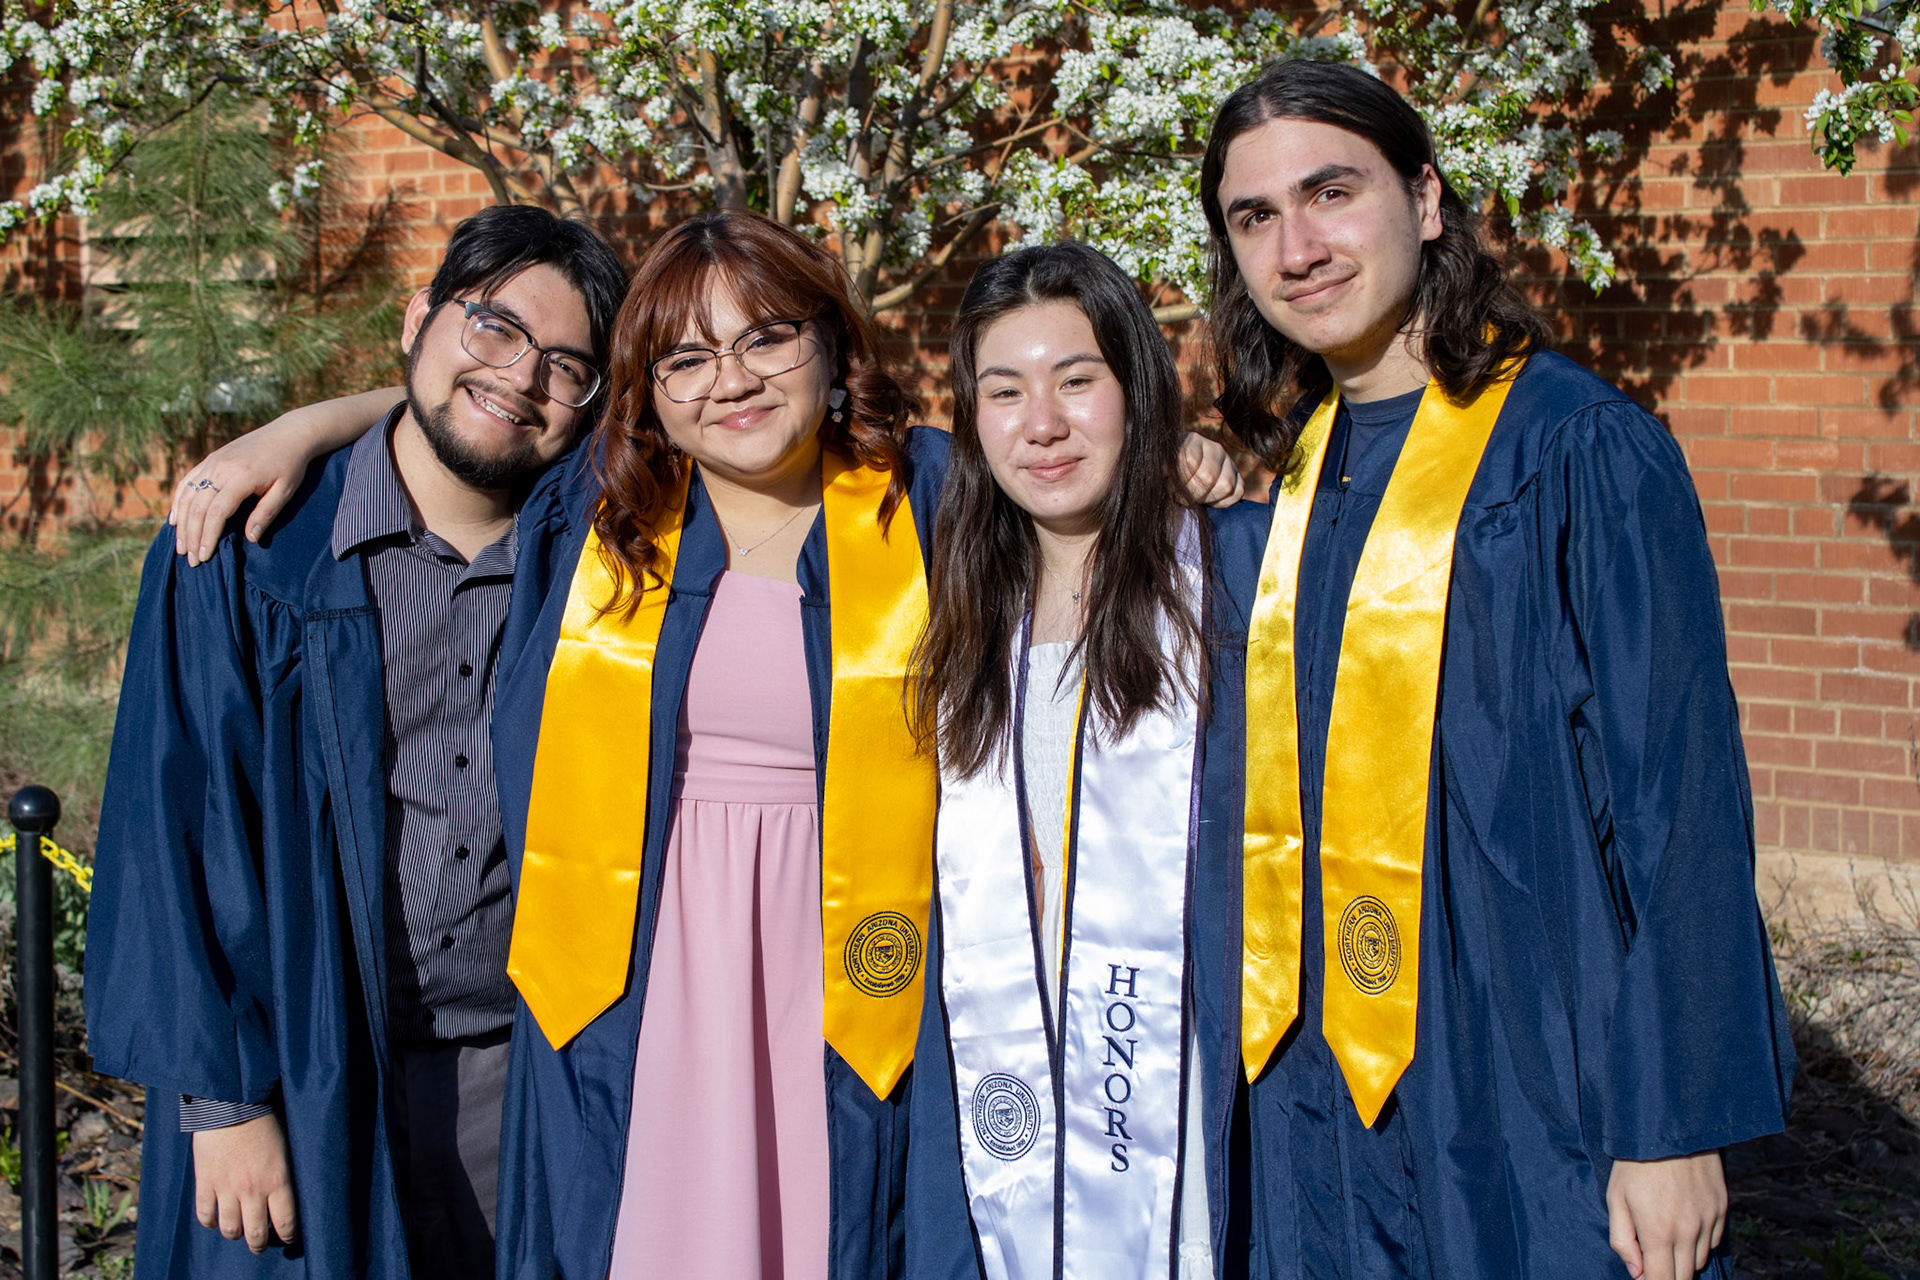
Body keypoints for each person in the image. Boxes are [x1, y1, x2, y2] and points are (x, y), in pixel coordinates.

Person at [1196, 59, 1797, 1280]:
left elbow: (1675, 799)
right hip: (1323, 1089)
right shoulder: (1306, 475)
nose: (1295, 245)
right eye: (1253, 216)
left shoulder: (1576, 451)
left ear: (1425, 200)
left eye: (1330, 192)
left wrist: (1672, 1124)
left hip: (1533, 1065)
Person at [85, 203, 629, 1278]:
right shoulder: (253, 556)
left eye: (566, 364)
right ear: (418, 316)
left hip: (519, 1085)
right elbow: (174, 825)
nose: (520, 377)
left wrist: (314, 414)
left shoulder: (607, 558)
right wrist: (225, 1098)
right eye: (494, 328)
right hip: (301, 1072)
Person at [901, 241, 1268, 1280]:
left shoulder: (1230, 575)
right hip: (1002, 1081)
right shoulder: (953, 597)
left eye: (1077, 380)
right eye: (1004, 390)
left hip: (1174, 1092)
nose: (1043, 424)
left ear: (1136, 386)